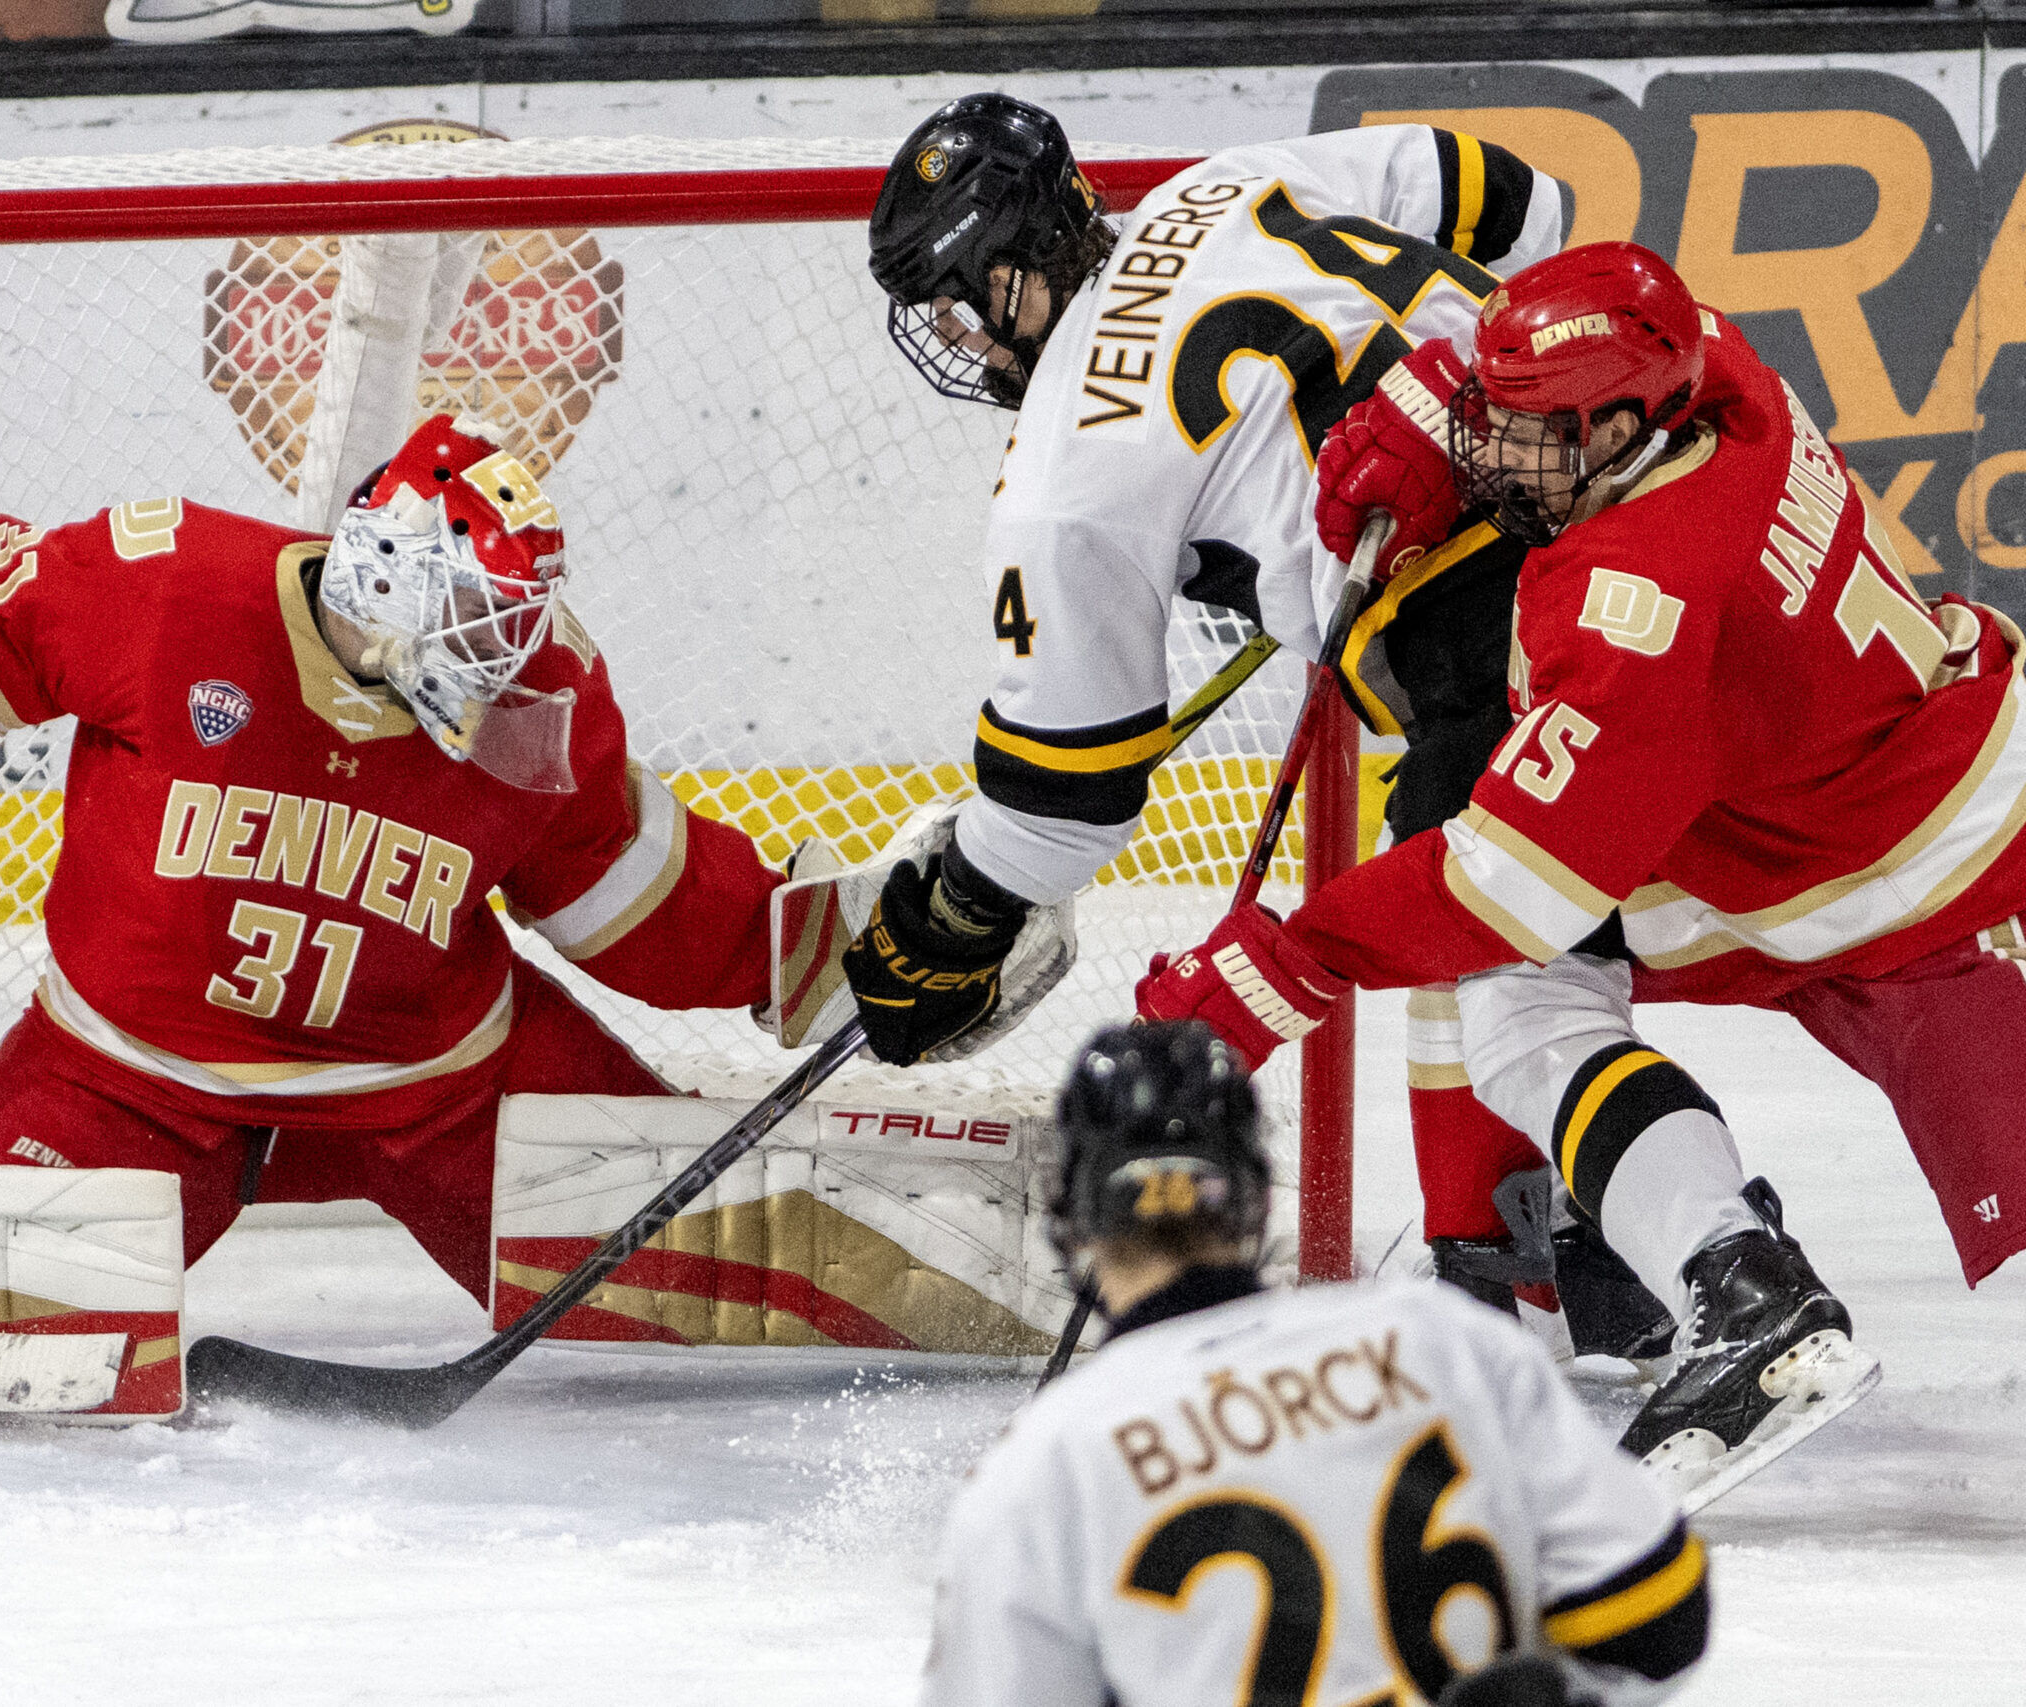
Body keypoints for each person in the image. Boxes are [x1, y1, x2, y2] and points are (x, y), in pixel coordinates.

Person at [1136, 240, 2026, 1489]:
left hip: (1875, 861)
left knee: (1519, 997)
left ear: (1616, 428)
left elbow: (1500, 890)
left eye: (1525, 430)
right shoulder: (1719, 374)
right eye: (1487, 421)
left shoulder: (1641, 599)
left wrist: (1287, 961)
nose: (1493, 448)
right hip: (1917, 745)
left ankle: (1749, 1300)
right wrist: (1444, 422)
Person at [854, 93, 1672, 1358]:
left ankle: (1617, 1262)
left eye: (964, 298)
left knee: (1505, 950)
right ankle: (1555, 1250)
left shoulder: (1067, 473)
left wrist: (958, 914)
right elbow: (1519, 201)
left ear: (1019, 270)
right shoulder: (1217, 181)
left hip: (1471, 638)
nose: (958, 336)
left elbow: (1059, 802)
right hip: (1623, 524)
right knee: (1533, 920)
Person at [0, 414, 796, 1298]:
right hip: (127, 1076)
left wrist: (813, 951)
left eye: (509, 614)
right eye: (468, 612)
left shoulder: (536, 697)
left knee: (713, 1297)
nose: (499, 649)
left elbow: (616, 880)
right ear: (376, 575)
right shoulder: (171, 591)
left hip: (444, 1086)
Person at [919, 1022, 1709, 1707]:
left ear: (1070, 1221)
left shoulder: (1044, 1462)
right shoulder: (1445, 1340)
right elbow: (1658, 1614)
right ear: (1258, 1197)